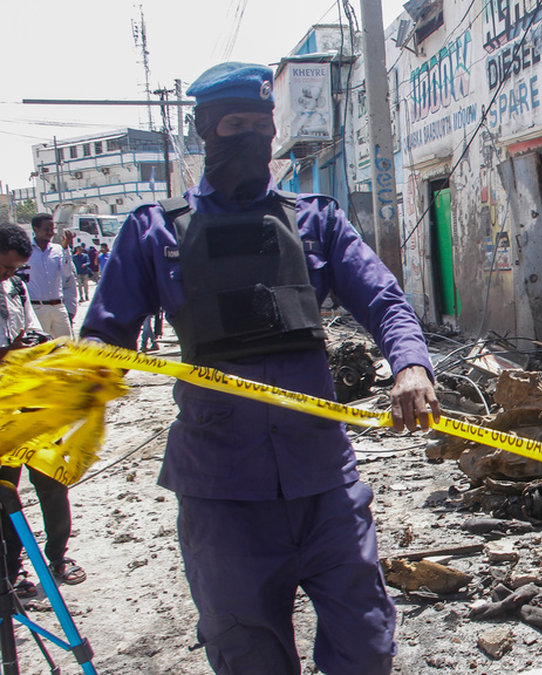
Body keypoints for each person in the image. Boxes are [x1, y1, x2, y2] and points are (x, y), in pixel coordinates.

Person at [80, 62, 440, 675]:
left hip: (323, 482)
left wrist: (410, 365)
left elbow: (384, 300)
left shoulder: (316, 219)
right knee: (249, 654)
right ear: (204, 130)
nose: (250, 138)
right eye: (234, 125)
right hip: (221, 492)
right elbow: (102, 338)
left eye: (261, 126)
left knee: (366, 642)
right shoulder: (154, 230)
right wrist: (70, 390)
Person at [0, 223, 74, 598]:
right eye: (5, 267)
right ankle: (11, 570)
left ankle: (58, 555)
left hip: (32, 399)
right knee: (5, 493)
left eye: (15, 268)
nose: (9, 274)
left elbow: (31, 331)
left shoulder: (16, 287)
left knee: (52, 480)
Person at [26, 214, 77, 338]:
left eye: (52, 229)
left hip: (58, 308)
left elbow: (67, 273)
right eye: (46, 229)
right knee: (43, 345)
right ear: (35, 229)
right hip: (37, 309)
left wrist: (65, 248)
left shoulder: (58, 249)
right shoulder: (26, 251)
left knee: (66, 345)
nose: (51, 232)